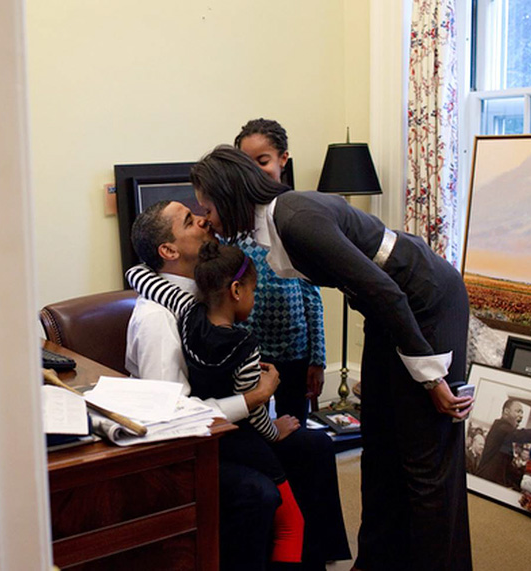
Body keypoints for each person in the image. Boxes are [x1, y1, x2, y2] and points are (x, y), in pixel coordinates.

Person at [188, 145, 476, 571]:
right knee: (380, 447)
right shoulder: (277, 222)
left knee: (424, 459)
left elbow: (386, 290)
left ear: (228, 195)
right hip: (388, 310)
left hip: (427, 301)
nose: (207, 218)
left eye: (207, 207)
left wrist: (431, 379)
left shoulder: (294, 217)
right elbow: (375, 295)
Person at [126, 200, 350, 570]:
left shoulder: (205, 290)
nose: (203, 219)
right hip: (193, 446)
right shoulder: (156, 320)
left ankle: (315, 561)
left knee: (315, 445)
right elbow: (172, 418)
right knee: (258, 492)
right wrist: (253, 399)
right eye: (189, 221)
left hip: (233, 429)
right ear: (168, 250)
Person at [233, 118, 326, 420]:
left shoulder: (295, 216)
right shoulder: (234, 222)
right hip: (247, 344)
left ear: (283, 159)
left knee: (293, 421)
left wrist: (318, 358)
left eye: (262, 161)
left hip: (294, 346)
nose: (253, 172)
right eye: (246, 164)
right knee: (254, 422)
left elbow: (312, 291)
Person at [475, 398, 531, 488]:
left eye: (522, 413)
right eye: (518, 411)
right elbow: (518, 434)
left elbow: (506, 466)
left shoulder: (506, 438)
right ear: (506, 411)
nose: (521, 416)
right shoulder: (500, 427)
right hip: (486, 483)